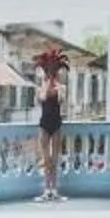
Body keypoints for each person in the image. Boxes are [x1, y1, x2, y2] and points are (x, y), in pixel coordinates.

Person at [35, 62, 67, 200]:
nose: (53, 75)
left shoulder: (62, 88)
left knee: (54, 159)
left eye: (54, 73)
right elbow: (42, 98)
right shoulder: (40, 88)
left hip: (56, 123)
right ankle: (46, 190)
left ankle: (54, 190)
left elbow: (61, 99)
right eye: (50, 73)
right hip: (44, 124)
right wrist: (47, 84)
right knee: (46, 160)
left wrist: (58, 87)